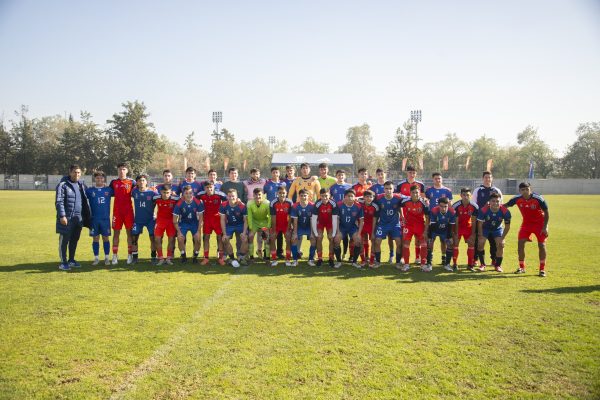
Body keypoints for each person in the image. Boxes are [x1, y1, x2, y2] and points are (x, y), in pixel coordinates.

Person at [504, 182, 549, 277]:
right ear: (520, 191)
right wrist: (493, 206)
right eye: (523, 190)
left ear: (530, 189)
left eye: (527, 189)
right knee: (520, 243)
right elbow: (505, 205)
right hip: (526, 224)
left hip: (540, 224)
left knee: (542, 245)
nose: (525, 191)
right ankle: (522, 267)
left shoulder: (538, 198)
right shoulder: (516, 199)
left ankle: (542, 269)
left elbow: (546, 212)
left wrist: (545, 227)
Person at [55, 164, 91, 270]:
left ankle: (71, 260)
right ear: (70, 172)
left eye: (79, 172)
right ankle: (63, 262)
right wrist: (62, 215)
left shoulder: (82, 185)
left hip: (78, 219)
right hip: (67, 218)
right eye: (75, 172)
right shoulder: (63, 185)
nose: (77, 174)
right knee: (64, 240)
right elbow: (59, 201)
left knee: (74, 240)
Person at [472, 171, 503, 267]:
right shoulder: (477, 190)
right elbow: (474, 205)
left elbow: (500, 205)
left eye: (489, 177)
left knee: (493, 242)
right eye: (486, 177)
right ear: (483, 178)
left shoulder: (497, 190)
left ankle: (494, 259)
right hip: (481, 220)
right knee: (478, 241)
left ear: (492, 178)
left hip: (493, 221)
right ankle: (475, 259)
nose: (488, 179)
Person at [396, 165, 426, 263]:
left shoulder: (420, 184)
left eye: (414, 173)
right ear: (407, 173)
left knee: (418, 238)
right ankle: (403, 257)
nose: (412, 174)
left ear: (416, 173)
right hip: (405, 217)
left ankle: (417, 257)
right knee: (404, 238)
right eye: (410, 172)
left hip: (417, 216)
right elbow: (397, 199)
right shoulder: (400, 184)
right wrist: (401, 215)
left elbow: (423, 199)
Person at [425, 172, 454, 265]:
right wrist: (426, 201)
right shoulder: (429, 190)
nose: (438, 180)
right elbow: (426, 200)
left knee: (443, 240)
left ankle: (443, 258)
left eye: (439, 178)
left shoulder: (447, 191)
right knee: (431, 240)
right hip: (432, 218)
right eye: (436, 178)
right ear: (433, 179)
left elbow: (450, 205)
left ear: (442, 179)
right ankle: (430, 259)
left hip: (444, 219)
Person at [109, 163, 136, 265]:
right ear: (117, 170)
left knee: (129, 234)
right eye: (120, 169)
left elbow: (139, 190)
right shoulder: (113, 182)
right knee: (116, 233)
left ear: (127, 171)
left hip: (128, 212)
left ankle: (129, 255)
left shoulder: (132, 182)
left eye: (124, 169)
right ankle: (115, 256)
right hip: (117, 212)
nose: (122, 171)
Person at [476, 192, 510, 272]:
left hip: (497, 229)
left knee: (501, 244)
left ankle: (498, 265)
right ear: (489, 202)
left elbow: (507, 227)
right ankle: (482, 264)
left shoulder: (505, 211)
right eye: (493, 201)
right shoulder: (484, 210)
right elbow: (480, 224)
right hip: (485, 228)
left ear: (500, 201)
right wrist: (480, 235)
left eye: (497, 201)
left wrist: (502, 238)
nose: (495, 203)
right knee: (480, 243)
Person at [372, 181, 403, 268]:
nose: (388, 190)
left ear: (393, 189)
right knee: (377, 242)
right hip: (382, 224)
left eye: (390, 188)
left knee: (399, 242)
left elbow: (409, 198)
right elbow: (367, 198)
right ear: (384, 189)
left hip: (395, 224)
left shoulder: (399, 197)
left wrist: (424, 199)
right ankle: (378, 262)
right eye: (386, 188)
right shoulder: (378, 198)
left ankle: (397, 262)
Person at [400, 185, 430, 271]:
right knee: (406, 243)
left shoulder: (424, 202)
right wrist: (402, 215)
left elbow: (427, 218)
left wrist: (425, 231)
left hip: (420, 225)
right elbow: (399, 206)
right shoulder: (405, 200)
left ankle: (423, 264)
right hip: (408, 225)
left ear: (419, 193)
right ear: (410, 193)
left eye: (417, 192)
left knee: (423, 243)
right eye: (413, 192)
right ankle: (406, 264)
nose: (415, 194)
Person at [196, 181, 227, 265]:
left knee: (219, 238)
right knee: (206, 238)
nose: (209, 189)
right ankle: (206, 258)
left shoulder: (220, 194)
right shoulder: (201, 194)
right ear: (204, 188)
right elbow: (194, 200)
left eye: (211, 187)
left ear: (214, 187)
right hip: (207, 219)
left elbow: (228, 201)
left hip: (217, 219)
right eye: (207, 187)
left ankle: (221, 258)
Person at [85, 171, 113, 266]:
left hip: (105, 219)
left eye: (101, 178)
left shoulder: (109, 190)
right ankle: (96, 258)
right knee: (95, 238)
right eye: (97, 178)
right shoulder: (89, 191)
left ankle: (107, 258)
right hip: (94, 219)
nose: (99, 179)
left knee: (105, 238)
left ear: (104, 179)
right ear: (94, 179)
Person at [131, 174, 158, 264]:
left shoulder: (152, 193)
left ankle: (153, 257)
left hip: (150, 220)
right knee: (134, 238)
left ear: (146, 182)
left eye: (143, 180)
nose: (141, 182)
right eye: (139, 181)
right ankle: (135, 258)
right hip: (138, 220)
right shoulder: (134, 192)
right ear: (137, 183)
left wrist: (155, 213)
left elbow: (161, 200)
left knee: (152, 238)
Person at [173, 185, 204, 263]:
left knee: (198, 239)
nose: (188, 195)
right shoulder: (179, 204)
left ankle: (195, 257)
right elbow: (174, 220)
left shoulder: (198, 202)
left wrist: (198, 231)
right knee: (180, 238)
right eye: (186, 193)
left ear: (192, 193)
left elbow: (201, 219)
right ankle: (183, 256)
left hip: (194, 223)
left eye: (190, 193)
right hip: (183, 223)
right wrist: (179, 232)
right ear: (183, 194)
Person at [370, 168, 395, 263]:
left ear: (385, 174)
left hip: (391, 216)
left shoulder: (391, 185)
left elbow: (397, 198)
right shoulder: (373, 187)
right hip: (379, 216)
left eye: (382, 174)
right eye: (379, 174)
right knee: (376, 237)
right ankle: (374, 257)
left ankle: (391, 255)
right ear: (376, 175)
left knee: (391, 237)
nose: (380, 176)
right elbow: (368, 197)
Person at [219, 188, 249, 268]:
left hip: (240, 225)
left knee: (245, 239)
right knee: (225, 239)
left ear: (236, 196)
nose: (231, 198)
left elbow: (246, 221)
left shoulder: (242, 206)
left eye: (233, 196)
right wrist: (224, 234)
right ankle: (232, 258)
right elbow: (222, 220)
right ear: (227, 197)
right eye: (229, 196)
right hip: (230, 225)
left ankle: (241, 257)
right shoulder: (223, 205)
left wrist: (244, 232)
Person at [311, 188, 340, 267]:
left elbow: (335, 218)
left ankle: (331, 258)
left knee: (331, 238)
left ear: (329, 195)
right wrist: (315, 232)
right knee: (319, 237)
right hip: (320, 223)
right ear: (320, 196)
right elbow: (314, 218)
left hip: (330, 223)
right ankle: (320, 258)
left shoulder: (333, 203)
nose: (324, 198)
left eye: (326, 196)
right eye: (322, 196)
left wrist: (334, 233)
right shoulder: (317, 204)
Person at [336, 189, 364, 268]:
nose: (350, 198)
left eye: (352, 196)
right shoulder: (339, 205)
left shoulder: (358, 206)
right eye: (348, 196)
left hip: (352, 227)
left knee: (358, 240)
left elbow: (362, 221)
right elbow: (337, 219)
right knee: (336, 240)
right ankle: (338, 261)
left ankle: (354, 262)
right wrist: (337, 232)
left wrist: (359, 233)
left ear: (355, 197)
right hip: (342, 227)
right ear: (344, 197)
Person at [427, 197, 457, 271]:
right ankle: (429, 264)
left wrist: (449, 237)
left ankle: (447, 264)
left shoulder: (452, 212)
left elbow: (450, 226)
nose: (443, 208)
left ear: (448, 205)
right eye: (441, 206)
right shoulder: (434, 211)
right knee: (429, 243)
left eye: (445, 206)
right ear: (438, 205)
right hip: (434, 230)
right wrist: (430, 237)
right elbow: (432, 226)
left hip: (444, 231)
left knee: (450, 243)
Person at [452, 188, 479, 271]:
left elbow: (474, 221)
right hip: (458, 227)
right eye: (464, 195)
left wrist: (473, 234)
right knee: (455, 244)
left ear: (470, 195)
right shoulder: (456, 206)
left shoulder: (474, 206)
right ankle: (455, 264)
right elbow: (455, 221)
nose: (466, 197)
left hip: (468, 227)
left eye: (467, 195)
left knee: (471, 244)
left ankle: (470, 265)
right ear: (460, 195)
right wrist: (456, 233)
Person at [153, 184, 179, 265]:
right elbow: (151, 205)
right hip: (160, 221)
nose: (165, 194)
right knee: (157, 239)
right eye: (164, 192)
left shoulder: (175, 199)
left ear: (170, 192)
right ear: (161, 192)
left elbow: (182, 203)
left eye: (167, 193)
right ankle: (160, 258)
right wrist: (153, 214)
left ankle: (168, 258)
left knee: (171, 240)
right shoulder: (156, 198)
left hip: (171, 222)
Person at [290, 189, 317, 266]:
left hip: (309, 227)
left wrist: (312, 233)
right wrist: (295, 233)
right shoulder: (295, 206)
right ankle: (295, 260)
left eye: (305, 196)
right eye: (301, 196)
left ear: (308, 196)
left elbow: (312, 220)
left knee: (313, 239)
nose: (303, 197)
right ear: (299, 196)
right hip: (299, 227)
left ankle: (311, 260)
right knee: (294, 239)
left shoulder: (312, 206)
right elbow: (295, 221)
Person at [269, 186, 294, 266]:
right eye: (280, 193)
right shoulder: (273, 203)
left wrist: (288, 229)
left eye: (283, 193)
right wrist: (273, 230)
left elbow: (290, 217)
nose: (282, 195)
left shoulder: (290, 202)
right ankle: (274, 259)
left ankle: (288, 259)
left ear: (286, 193)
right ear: (277, 193)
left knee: (288, 239)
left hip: (286, 225)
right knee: (272, 238)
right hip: (276, 225)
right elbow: (273, 217)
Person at [247, 187, 271, 261]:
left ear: (263, 195)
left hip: (264, 222)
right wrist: (251, 227)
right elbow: (249, 216)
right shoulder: (249, 203)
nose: (258, 196)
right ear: (253, 195)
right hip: (254, 223)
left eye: (259, 194)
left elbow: (269, 216)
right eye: (256, 195)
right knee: (250, 236)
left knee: (267, 237)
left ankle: (267, 257)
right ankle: (251, 257)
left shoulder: (267, 203)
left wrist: (268, 226)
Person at [358, 190, 379, 267]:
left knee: (373, 241)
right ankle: (363, 260)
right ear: (364, 197)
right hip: (362, 225)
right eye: (367, 197)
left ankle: (371, 261)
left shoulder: (375, 206)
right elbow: (355, 198)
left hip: (371, 226)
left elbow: (374, 220)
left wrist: (373, 232)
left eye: (371, 197)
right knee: (361, 242)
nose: (369, 198)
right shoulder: (360, 203)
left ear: (373, 198)